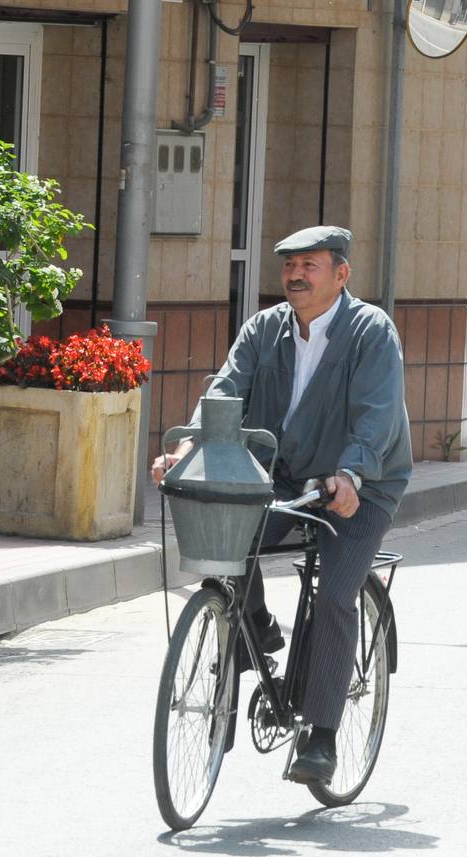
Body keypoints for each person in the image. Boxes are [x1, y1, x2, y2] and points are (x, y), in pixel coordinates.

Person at [151, 225, 412, 786]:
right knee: (226, 532)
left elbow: (377, 415)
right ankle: (258, 628)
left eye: (310, 265)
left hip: (359, 485)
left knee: (337, 594)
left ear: (341, 274)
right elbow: (224, 392)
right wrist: (185, 447)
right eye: (289, 265)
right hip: (282, 478)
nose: (295, 275)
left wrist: (351, 473)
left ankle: (321, 736)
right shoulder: (263, 329)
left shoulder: (370, 331)